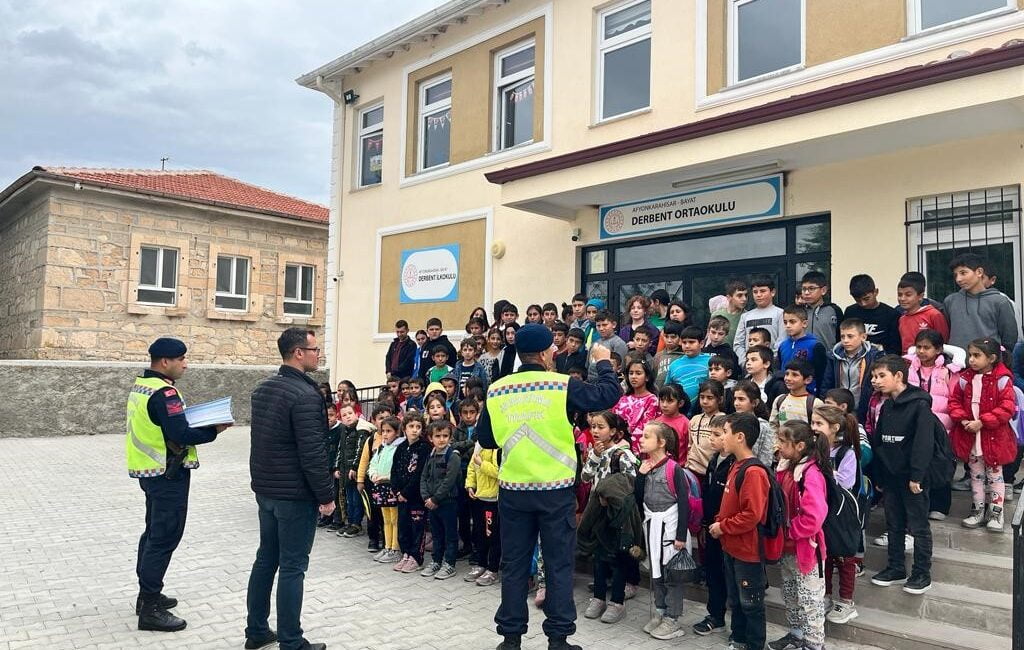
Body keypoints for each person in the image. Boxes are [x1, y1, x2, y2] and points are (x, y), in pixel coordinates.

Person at [476, 324, 622, 650]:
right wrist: (603, 362)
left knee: (513, 565)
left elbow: (486, 438)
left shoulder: (498, 389)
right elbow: (607, 395)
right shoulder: (560, 385)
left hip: (513, 491)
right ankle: (558, 639)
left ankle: (510, 639)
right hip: (554, 491)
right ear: (546, 353)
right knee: (558, 564)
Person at [128, 337, 225, 632]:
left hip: (151, 473)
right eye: (181, 359)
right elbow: (181, 433)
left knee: (153, 532)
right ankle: (150, 609)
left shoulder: (141, 386)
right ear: (165, 362)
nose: (185, 364)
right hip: (168, 474)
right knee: (164, 537)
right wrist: (214, 429)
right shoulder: (164, 393)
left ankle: (148, 596)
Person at [246, 328, 335, 650]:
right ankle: (291, 641)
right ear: (298, 352)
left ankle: (256, 631)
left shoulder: (264, 389)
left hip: (267, 490)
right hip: (294, 496)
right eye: (314, 349)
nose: (318, 354)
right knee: (293, 566)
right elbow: (313, 454)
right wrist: (326, 496)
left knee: (266, 559)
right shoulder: (306, 396)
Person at [869, 355, 935, 596]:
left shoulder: (919, 405)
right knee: (894, 524)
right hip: (891, 476)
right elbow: (880, 442)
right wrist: (880, 475)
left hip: (913, 478)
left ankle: (921, 573)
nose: (875, 381)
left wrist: (917, 475)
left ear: (899, 376)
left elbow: (923, 443)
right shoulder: (885, 406)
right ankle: (896, 567)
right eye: (874, 377)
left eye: (881, 376)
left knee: (918, 527)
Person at [709, 413, 770, 650]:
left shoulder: (754, 472)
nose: (722, 437)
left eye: (725, 432)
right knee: (735, 599)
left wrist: (723, 526)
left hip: (748, 551)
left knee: (751, 604)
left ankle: (754, 644)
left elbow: (751, 515)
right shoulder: (736, 464)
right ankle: (739, 638)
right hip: (731, 546)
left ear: (740, 437)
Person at [949, 337, 1018, 532]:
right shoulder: (964, 379)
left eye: (977, 355)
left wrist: (983, 421)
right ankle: (977, 510)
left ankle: (996, 512)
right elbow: (954, 401)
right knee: (976, 475)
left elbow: (1007, 408)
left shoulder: (1003, 380)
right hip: (971, 436)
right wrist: (963, 420)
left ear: (992, 358)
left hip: (993, 438)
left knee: (995, 476)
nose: (971, 359)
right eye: (970, 355)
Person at [770, 421, 829, 650]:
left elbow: (814, 516)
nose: (780, 446)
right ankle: (796, 635)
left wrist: (791, 530)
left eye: (784, 442)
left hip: (806, 549)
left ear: (800, 445)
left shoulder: (810, 474)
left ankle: (814, 644)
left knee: (810, 599)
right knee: (791, 594)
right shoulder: (786, 468)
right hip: (787, 547)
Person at [635, 421, 691, 640]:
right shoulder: (645, 465)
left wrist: (680, 536)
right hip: (652, 526)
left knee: (671, 574)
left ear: (661, 442)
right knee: (656, 571)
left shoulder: (673, 468)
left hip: (670, 528)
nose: (641, 439)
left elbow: (684, 502)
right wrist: (640, 476)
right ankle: (660, 611)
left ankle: (673, 618)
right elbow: (638, 498)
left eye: (647, 436)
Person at [811, 405, 863, 625]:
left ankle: (846, 602)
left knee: (844, 558)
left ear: (834, 427)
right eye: (812, 423)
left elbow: (847, 481)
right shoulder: (814, 450)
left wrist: (824, 471)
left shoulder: (845, 453)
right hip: (821, 509)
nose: (814, 428)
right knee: (826, 556)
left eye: (819, 424)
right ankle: (826, 597)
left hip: (841, 513)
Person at [905, 330, 960, 521]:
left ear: (938, 350)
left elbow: (954, 397)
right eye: (918, 347)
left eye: (926, 348)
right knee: (917, 462)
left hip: (941, 425)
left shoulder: (948, 370)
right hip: (913, 423)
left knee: (938, 462)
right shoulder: (908, 367)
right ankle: (920, 502)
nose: (921, 351)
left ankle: (940, 505)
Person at [693, 414, 731, 637]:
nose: (712, 439)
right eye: (710, 434)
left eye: (717, 435)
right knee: (714, 572)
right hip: (711, 527)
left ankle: (739, 623)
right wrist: (706, 524)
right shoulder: (714, 460)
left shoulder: (736, 465)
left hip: (728, 529)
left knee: (730, 576)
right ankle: (715, 615)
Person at [944, 253, 1019, 349]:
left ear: (979, 272)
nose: (958, 279)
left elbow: (1009, 338)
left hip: (990, 362)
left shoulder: (1000, 302)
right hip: (957, 362)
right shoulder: (950, 301)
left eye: (963, 273)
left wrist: (998, 358)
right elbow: (945, 332)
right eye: (955, 275)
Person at [420, 420, 462, 580]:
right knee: (436, 534)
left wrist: (436, 499)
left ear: (450, 437)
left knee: (450, 534)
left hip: (447, 502)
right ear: (431, 438)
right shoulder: (431, 454)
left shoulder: (453, 456)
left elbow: (449, 482)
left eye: (445, 436)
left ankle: (449, 563)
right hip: (431, 503)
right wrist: (426, 497)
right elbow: (424, 477)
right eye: (438, 436)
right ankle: (436, 560)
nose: (441, 439)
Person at [391, 414, 431, 573]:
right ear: (405, 428)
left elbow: (419, 473)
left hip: (415, 497)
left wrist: (406, 492)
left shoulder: (424, 447)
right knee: (403, 526)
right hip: (401, 497)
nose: (414, 430)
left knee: (417, 527)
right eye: (411, 427)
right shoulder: (400, 447)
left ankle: (416, 557)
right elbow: (394, 470)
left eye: (418, 427)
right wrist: (396, 490)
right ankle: (406, 553)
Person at [820, 318, 881, 422]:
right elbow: (827, 383)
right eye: (842, 336)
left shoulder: (874, 357)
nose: (845, 340)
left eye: (850, 336)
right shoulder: (833, 356)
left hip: (863, 408)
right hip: (838, 409)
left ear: (863, 337)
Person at [465, 439, 502, 586]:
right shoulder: (479, 445)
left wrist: (482, 464)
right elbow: (471, 467)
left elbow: (499, 472)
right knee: (479, 534)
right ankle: (481, 564)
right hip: (479, 497)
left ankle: (492, 569)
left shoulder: (499, 445)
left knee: (492, 536)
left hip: (493, 499)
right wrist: (470, 485)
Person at [367, 417, 404, 563]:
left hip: (391, 486)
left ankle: (396, 548)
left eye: (389, 431)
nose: (385, 434)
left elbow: (398, 470)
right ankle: (388, 546)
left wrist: (385, 477)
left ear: (397, 432)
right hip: (380, 487)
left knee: (395, 519)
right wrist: (373, 475)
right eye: (383, 431)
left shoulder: (399, 448)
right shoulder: (381, 448)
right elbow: (373, 463)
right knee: (386, 519)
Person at [336, 404, 375, 538]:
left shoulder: (361, 430)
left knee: (356, 499)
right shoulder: (344, 431)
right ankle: (350, 522)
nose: (348, 417)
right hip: (345, 471)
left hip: (355, 472)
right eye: (344, 415)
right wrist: (337, 467)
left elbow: (360, 451)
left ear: (356, 414)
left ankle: (356, 524)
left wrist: (354, 467)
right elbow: (340, 450)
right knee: (349, 499)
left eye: (350, 413)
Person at [843, 274, 901, 354]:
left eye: (866, 299)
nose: (863, 303)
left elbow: (895, 347)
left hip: (882, 360)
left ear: (876, 292)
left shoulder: (891, 314)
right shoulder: (850, 312)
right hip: (854, 359)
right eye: (858, 300)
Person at [778, 305, 828, 396]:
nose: (788, 326)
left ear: (804, 323)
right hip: (786, 393)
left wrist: (819, 395)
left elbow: (821, 374)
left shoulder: (815, 345)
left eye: (792, 322)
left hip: (808, 394)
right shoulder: (782, 345)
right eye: (785, 322)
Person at [613, 359, 660, 453]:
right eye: (631, 373)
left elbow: (646, 427)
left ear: (647, 377)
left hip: (640, 449)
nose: (633, 377)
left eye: (638, 373)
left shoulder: (652, 400)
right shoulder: (623, 399)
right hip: (618, 446)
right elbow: (613, 421)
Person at [734, 276, 785, 361]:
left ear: (772, 292)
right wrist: (744, 361)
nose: (758, 295)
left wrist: (770, 359)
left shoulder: (780, 313)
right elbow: (738, 343)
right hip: (749, 365)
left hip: (772, 364)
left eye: (762, 291)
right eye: (755, 292)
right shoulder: (745, 316)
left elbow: (782, 340)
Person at [897, 273, 949, 354]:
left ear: (920, 296)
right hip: (908, 363)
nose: (903, 298)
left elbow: (944, 341)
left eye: (908, 295)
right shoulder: (902, 319)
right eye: (900, 295)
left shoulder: (934, 314)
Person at [770, 359, 824, 432]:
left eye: (795, 375)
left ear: (808, 380)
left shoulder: (815, 403)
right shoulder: (780, 400)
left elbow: (819, 429)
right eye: (787, 374)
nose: (788, 378)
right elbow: (773, 425)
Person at [686, 380, 726, 479]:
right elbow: (690, 445)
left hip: (710, 473)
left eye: (710, 398)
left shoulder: (724, 420)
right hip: (691, 470)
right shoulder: (694, 419)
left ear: (720, 399)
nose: (704, 401)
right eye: (702, 397)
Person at [664, 326, 712, 407]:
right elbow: (668, 388)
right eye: (684, 342)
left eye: (691, 342)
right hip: (679, 411)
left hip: (703, 410)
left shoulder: (710, 362)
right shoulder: (674, 365)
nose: (687, 346)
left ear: (701, 343)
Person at [732, 380, 776, 467]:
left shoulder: (763, 426)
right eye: (735, 399)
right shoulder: (731, 423)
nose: (736, 403)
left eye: (741, 399)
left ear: (754, 402)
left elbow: (766, 458)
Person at [800, 271, 844, 350]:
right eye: (804, 289)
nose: (806, 293)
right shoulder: (799, 311)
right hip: (803, 358)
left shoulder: (834, 310)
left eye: (811, 288)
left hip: (829, 359)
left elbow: (841, 336)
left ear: (823, 290)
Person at [653, 384, 690, 463]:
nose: (664, 405)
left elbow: (689, 448)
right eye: (662, 400)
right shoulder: (656, 422)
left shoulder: (686, 423)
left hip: (678, 468)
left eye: (670, 401)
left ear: (680, 403)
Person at [588, 310, 629, 380]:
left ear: (613, 325)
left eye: (604, 325)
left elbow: (620, 370)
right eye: (598, 325)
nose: (601, 328)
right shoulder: (594, 343)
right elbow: (588, 365)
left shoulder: (618, 343)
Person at [712, 280, 748, 346]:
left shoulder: (747, 316)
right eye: (739, 295)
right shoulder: (716, 314)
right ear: (729, 297)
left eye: (746, 295)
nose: (744, 299)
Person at [653, 321, 686, 389]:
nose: (669, 340)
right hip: (659, 392)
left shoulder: (683, 356)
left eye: (673, 337)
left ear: (680, 338)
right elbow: (654, 376)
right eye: (666, 336)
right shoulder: (658, 356)